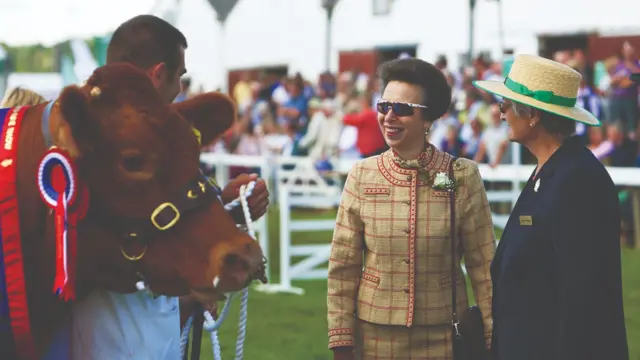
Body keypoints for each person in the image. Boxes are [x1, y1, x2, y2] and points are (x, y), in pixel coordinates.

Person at [52, 15, 270, 360]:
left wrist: (226, 208)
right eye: (179, 76)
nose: (180, 89)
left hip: (150, 331)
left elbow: (164, 223)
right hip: (109, 336)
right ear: (157, 73)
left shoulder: (158, 147)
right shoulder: (85, 143)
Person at [327, 58, 495, 360]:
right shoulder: (361, 175)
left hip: (445, 337)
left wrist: (493, 335)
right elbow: (343, 267)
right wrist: (341, 342)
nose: (389, 117)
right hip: (374, 338)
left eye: (402, 109)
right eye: (384, 106)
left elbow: (484, 266)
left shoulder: (462, 175)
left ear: (428, 119)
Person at [473, 54, 629, 360]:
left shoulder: (578, 179)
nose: (501, 113)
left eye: (505, 104)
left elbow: (583, 298)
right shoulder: (550, 170)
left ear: (532, 114)